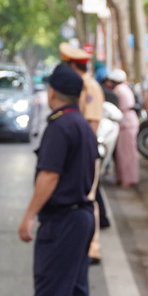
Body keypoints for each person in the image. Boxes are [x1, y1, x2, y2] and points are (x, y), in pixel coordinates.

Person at [2, 63, 98, 296]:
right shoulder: (82, 124)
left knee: (52, 290)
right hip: (82, 214)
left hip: (63, 219)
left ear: (52, 92)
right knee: (76, 288)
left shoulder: (59, 126)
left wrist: (29, 215)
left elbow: (49, 176)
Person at [59, 42, 108, 257]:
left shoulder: (90, 88)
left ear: (73, 66)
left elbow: (93, 123)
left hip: (85, 150)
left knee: (89, 198)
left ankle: (92, 248)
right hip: (78, 150)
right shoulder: (79, 86)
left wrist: (80, 151)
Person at [105, 68, 140, 186]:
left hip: (126, 122)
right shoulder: (125, 88)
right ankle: (122, 177)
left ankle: (127, 179)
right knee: (124, 152)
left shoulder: (118, 90)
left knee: (125, 153)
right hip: (128, 121)